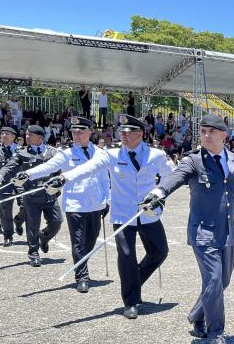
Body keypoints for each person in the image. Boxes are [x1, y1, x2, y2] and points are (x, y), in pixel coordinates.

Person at [150, 113, 234, 344]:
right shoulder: (193, 161)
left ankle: (196, 315)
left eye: (211, 131)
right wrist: (159, 191)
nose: (206, 136)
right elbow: (175, 177)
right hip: (203, 232)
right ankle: (216, 333)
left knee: (222, 281)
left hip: (228, 233)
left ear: (224, 135)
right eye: (203, 131)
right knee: (214, 281)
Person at [56, 114, 172, 318]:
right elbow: (87, 168)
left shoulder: (156, 155)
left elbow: (170, 176)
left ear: (140, 133)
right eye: (121, 132)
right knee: (126, 257)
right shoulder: (111, 154)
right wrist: (65, 177)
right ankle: (131, 301)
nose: (122, 136)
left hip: (148, 213)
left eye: (127, 132)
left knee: (160, 251)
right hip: (123, 215)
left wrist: (160, 195)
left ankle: (134, 280)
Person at [21, 117, 109, 291]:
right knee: (78, 242)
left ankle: (79, 261)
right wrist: (28, 174)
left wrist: (107, 200)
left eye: (80, 131)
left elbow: (104, 179)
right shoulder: (66, 154)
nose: (76, 135)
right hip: (76, 204)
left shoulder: (100, 153)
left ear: (90, 132)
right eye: (73, 132)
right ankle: (82, 276)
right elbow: (48, 167)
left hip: (95, 204)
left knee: (91, 240)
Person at [0, 125, 63, 266]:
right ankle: (33, 252)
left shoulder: (53, 152)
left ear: (40, 137)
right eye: (26, 134)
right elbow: (9, 166)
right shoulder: (22, 153)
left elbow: (60, 171)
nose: (26, 137)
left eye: (30, 135)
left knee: (57, 222)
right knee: (32, 225)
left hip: (49, 195)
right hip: (31, 196)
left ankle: (45, 237)